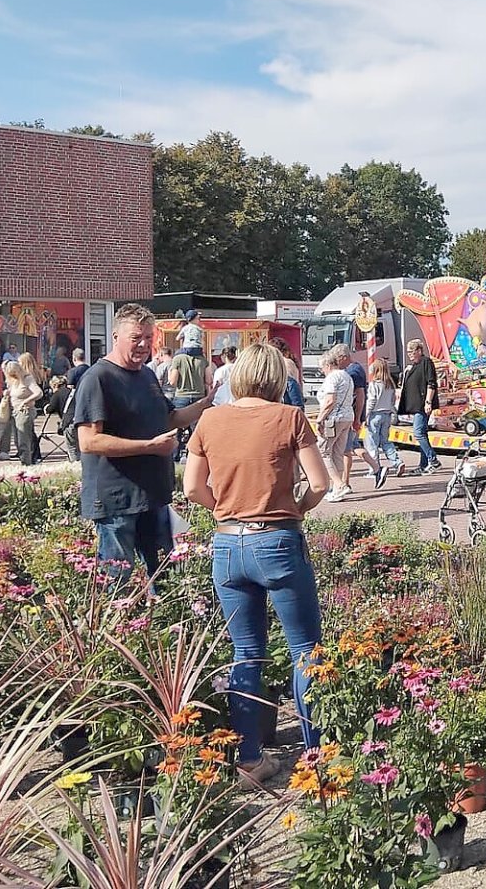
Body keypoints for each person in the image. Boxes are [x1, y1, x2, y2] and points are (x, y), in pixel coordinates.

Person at [183, 341, 330, 787]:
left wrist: (221, 510)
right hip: (278, 539)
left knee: (246, 652)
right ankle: (315, 757)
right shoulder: (288, 417)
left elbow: (191, 488)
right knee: (306, 651)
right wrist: (296, 508)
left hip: (227, 545)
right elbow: (320, 483)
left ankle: (249, 758)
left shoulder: (210, 419)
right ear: (277, 379)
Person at [74, 304, 215, 582]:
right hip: (116, 501)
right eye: (136, 338)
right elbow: (88, 442)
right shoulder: (98, 378)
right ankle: (118, 626)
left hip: (152, 496)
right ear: (116, 337)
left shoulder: (147, 374)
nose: (143, 345)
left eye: (149, 338)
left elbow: (169, 418)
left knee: (165, 575)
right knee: (117, 580)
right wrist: (149, 447)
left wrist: (205, 404)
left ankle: (163, 623)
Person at [333, 344, 383, 485]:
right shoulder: (355, 369)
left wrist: (358, 417)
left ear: (344, 357)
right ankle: (375, 468)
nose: (336, 363)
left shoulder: (353, 371)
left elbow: (360, 396)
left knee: (347, 449)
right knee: (351, 447)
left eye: (337, 359)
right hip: (352, 415)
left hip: (351, 415)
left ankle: (345, 482)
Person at [314, 349, 355, 501]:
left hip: (333, 418)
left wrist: (320, 419)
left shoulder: (332, 378)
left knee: (322, 451)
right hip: (347, 417)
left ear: (327, 365)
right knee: (337, 452)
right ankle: (338, 487)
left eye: (322, 368)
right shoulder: (347, 376)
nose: (322, 371)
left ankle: (339, 485)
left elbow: (330, 400)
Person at [397, 339, 441, 474]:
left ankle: (433, 460)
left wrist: (428, 401)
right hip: (416, 405)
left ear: (419, 351)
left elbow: (431, 383)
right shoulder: (413, 366)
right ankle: (423, 465)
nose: (409, 354)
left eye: (412, 351)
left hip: (423, 405)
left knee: (418, 432)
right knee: (422, 433)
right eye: (408, 351)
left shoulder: (426, 362)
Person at [362, 356, 404, 478]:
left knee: (372, 443)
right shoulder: (390, 384)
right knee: (386, 441)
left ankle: (374, 468)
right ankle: (397, 462)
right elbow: (392, 400)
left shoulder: (374, 384)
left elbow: (371, 401)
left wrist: (366, 415)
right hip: (387, 414)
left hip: (375, 415)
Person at [4, 360, 42, 466]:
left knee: (23, 440)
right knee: (17, 440)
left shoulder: (27, 379)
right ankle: (24, 460)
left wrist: (26, 401)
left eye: (14, 374)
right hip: (14, 411)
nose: (13, 376)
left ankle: (27, 464)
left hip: (24, 411)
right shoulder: (13, 381)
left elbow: (39, 393)